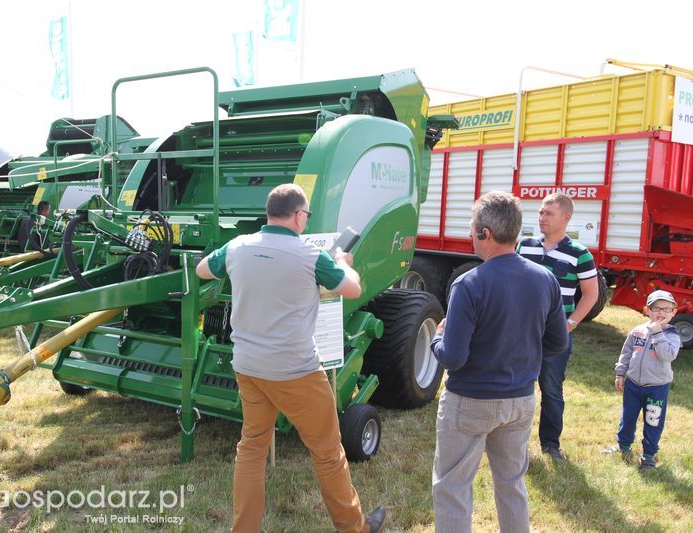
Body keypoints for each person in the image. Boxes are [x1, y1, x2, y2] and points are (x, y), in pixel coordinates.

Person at [196, 183, 386, 533]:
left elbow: (203, 270)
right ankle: (354, 527)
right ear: (298, 216)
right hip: (296, 371)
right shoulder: (312, 257)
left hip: (248, 367)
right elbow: (353, 289)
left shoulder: (237, 247)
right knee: (328, 452)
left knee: (251, 447)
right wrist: (345, 263)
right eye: (306, 215)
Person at [430, 191, 567, 533]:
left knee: (452, 487)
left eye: (472, 227)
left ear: (484, 234)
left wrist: (436, 339)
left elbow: (454, 358)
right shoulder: (545, 279)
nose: (470, 234)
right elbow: (557, 343)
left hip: (470, 401)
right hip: (520, 401)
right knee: (511, 483)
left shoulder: (469, 284)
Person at [517, 192, 599, 462]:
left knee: (551, 390)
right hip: (522, 334)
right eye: (541, 212)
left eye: (548, 213)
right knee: (517, 388)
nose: (542, 217)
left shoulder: (580, 254)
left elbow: (590, 295)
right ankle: (514, 443)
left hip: (555, 337)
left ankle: (550, 445)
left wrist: (571, 323)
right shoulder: (525, 246)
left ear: (566, 217)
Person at [602, 290, 681, 470]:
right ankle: (623, 445)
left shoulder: (671, 335)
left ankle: (648, 456)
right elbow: (627, 353)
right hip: (633, 385)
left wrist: (657, 333)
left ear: (673, 313)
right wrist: (620, 373)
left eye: (667, 309)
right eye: (657, 308)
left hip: (656, 387)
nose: (661, 312)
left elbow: (667, 355)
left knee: (653, 421)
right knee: (627, 417)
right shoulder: (637, 331)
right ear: (647, 310)